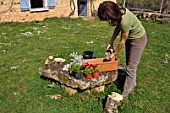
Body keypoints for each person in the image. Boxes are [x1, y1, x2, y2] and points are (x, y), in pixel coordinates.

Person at [98, 1, 147, 100]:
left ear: (112, 15)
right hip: (131, 38)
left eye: (108, 19)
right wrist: (111, 42)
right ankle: (131, 87)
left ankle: (125, 95)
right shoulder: (119, 13)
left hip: (138, 40)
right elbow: (118, 28)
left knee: (131, 68)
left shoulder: (125, 21)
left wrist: (114, 54)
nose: (109, 22)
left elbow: (122, 40)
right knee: (130, 64)